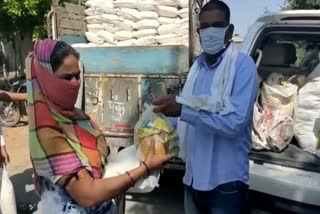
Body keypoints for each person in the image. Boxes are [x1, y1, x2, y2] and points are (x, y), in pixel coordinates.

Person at [27, 39, 171, 213]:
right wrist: (145, 168)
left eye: (77, 75)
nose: (75, 83)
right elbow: (88, 195)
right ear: (47, 79)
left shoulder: (77, 116)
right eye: (66, 77)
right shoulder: (48, 133)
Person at [153, 1, 258, 214]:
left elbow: (235, 123)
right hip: (193, 178)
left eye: (217, 25)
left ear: (229, 30)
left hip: (226, 183)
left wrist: (182, 110)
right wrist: (158, 119)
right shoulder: (197, 68)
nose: (210, 31)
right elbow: (185, 114)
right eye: (205, 26)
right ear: (199, 31)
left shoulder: (242, 66)